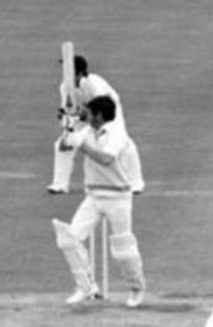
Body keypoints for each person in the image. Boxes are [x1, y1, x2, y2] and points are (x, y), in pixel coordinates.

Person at [51, 95, 147, 307]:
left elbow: (105, 159)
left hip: (118, 197)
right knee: (69, 239)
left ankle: (136, 288)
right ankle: (86, 288)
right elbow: (65, 147)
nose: (87, 115)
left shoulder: (118, 134)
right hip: (94, 196)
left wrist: (81, 145)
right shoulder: (86, 131)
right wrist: (68, 129)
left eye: (90, 112)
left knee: (123, 246)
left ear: (100, 115)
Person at [47, 54, 144, 195]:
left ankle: (136, 184)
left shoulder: (94, 84)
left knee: (125, 145)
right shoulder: (64, 87)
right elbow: (68, 110)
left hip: (110, 113)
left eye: (69, 71)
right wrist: (66, 121)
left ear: (79, 73)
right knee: (62, 145)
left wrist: (79, 116)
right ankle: (60, 184)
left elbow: (102, 111)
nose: (64, 75)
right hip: (85, 115)